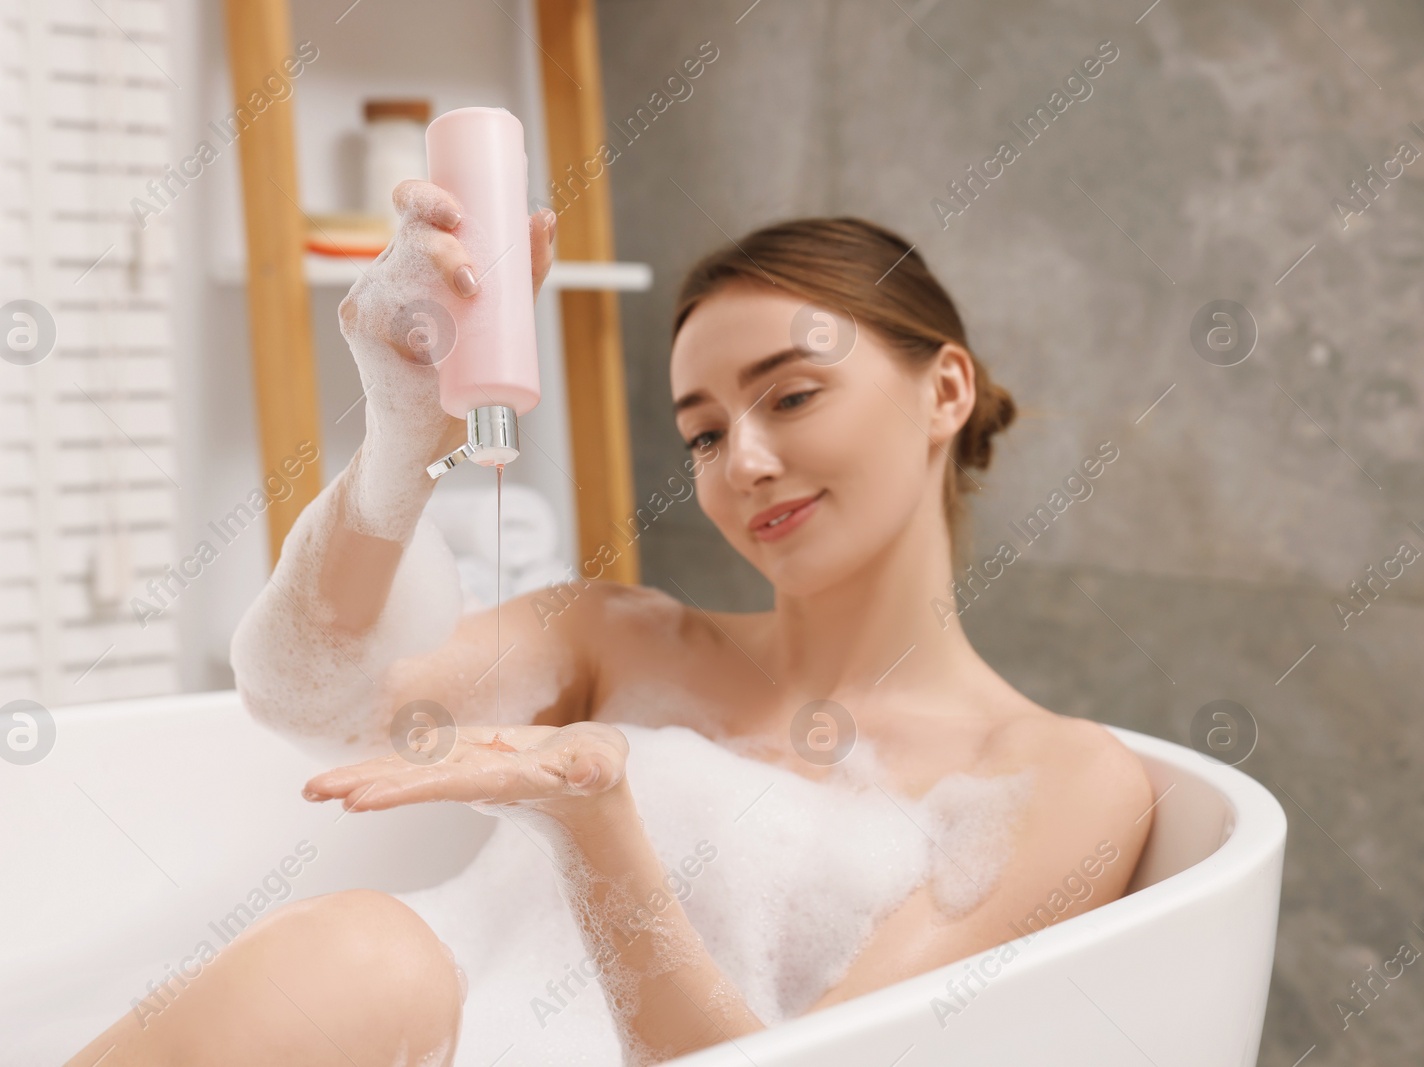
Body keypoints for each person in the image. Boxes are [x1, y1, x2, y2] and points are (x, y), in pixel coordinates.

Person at [66, 181, 1153, 1067]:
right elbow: (312, 694)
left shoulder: (1052, 782)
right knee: (359, 955)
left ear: (945, 389)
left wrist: (596, 824)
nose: (745, 462)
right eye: (702, 432)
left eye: (791, 396)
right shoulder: (613, 640)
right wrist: (404, 437)